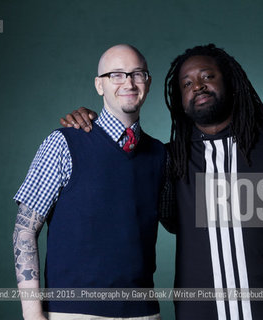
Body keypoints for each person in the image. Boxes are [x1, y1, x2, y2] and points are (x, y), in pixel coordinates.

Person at [61, 44, 263, 320]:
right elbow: (125, 166)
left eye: (207, 76)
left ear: (230, 81)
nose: (197, 86)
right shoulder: (171, 158)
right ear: (179, 100)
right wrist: (89, 122)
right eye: (187, 83)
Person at [13, 44, 167, 320]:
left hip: (144, 312)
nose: (129, 82)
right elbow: (24, 231)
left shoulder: (159, 154)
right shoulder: (63, 143)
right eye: (116, 75)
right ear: (99, 85)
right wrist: (33, 315)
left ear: (148, 82)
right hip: (73, 312)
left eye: (137, 74)